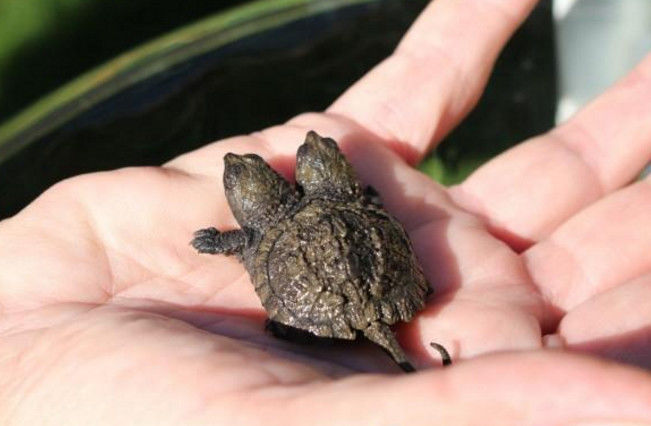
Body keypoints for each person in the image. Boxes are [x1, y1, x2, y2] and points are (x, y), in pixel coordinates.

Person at [0, 0, 649, 423]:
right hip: (381, 278)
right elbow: (300, 230)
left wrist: (223, 243)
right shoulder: (347, 201)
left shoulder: (273, 229)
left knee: (291, 279)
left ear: (252, 208)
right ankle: (338, 331)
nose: (242, 169)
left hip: (320, 294)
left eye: (244, 176)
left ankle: (301, 327)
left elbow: (251, 246)